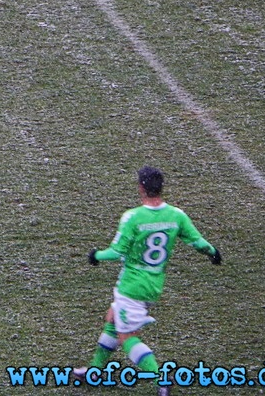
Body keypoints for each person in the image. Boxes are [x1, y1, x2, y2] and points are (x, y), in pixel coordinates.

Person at [74, 166, 222, 396]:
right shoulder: (176, 215)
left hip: (131, 287)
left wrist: (96, 255)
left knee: (127, 338)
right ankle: (94, 371)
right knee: (112, 318)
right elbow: (198, 243)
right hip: (153, 286)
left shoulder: (133, 217)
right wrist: (213, 253)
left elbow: (117, 251)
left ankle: (160, 378)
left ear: (141, 187)